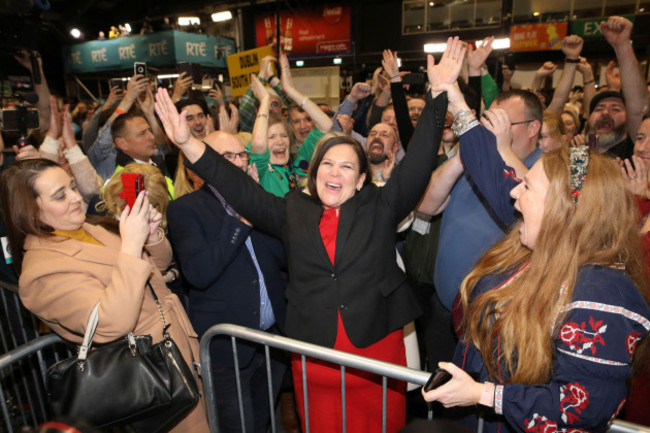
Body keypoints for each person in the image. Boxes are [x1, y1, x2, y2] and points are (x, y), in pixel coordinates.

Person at [155, 36, 461, 433]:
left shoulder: (380, 207)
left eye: (347, 167)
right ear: (314, 175)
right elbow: (239, 187)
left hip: (374, 346)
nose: (335, 172)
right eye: (327, 165)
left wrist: (439, 95)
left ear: (362, 178)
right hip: (314, 350)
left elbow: (419, 163)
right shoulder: (291, 210)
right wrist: (188, 143)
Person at [422, 145, 650, 433]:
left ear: (563, 210)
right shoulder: (531, 249)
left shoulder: (604, 294)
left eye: (528, 186)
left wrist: (482, 395)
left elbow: (582, 411)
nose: (514, 192)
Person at [0, 159, 208, 432]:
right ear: (30, 211)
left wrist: (151, 234)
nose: (77, 198)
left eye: (72, 187)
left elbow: (155, 270)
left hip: (175, 353)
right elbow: (111, 323)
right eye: (61, 196)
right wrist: (132, 245)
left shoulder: (89, 229)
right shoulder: (41, 273)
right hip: (146, 379)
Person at [167, 131, 287, 433]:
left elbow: (283, 260)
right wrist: (240, 219)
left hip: (272, 342)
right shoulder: (186, 209)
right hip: (227, 350)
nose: (238, 162)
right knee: (238, 426)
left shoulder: (261, 203)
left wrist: (261, 209)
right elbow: (199, 272)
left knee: (264, 422)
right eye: (227, 157)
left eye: (241, 155)